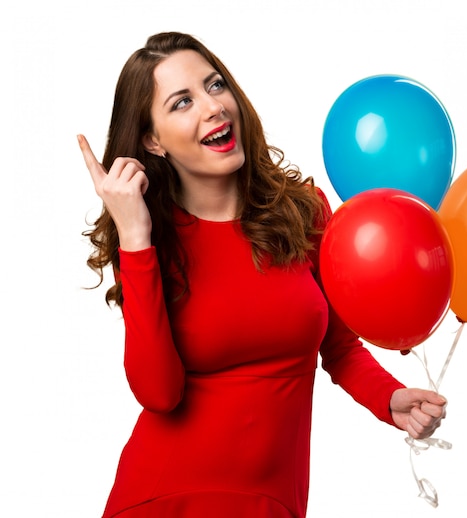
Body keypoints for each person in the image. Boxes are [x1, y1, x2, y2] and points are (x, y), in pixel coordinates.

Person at [79, 31, 447, 518]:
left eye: (215, 86)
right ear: (153, 140)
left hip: (272, 504)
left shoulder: (303, 212)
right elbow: (158, 393)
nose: (212, 107)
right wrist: (134, 238)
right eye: (182, 101)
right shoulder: (150, 239)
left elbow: (337, 346)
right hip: (164, 500)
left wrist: (390, 398)